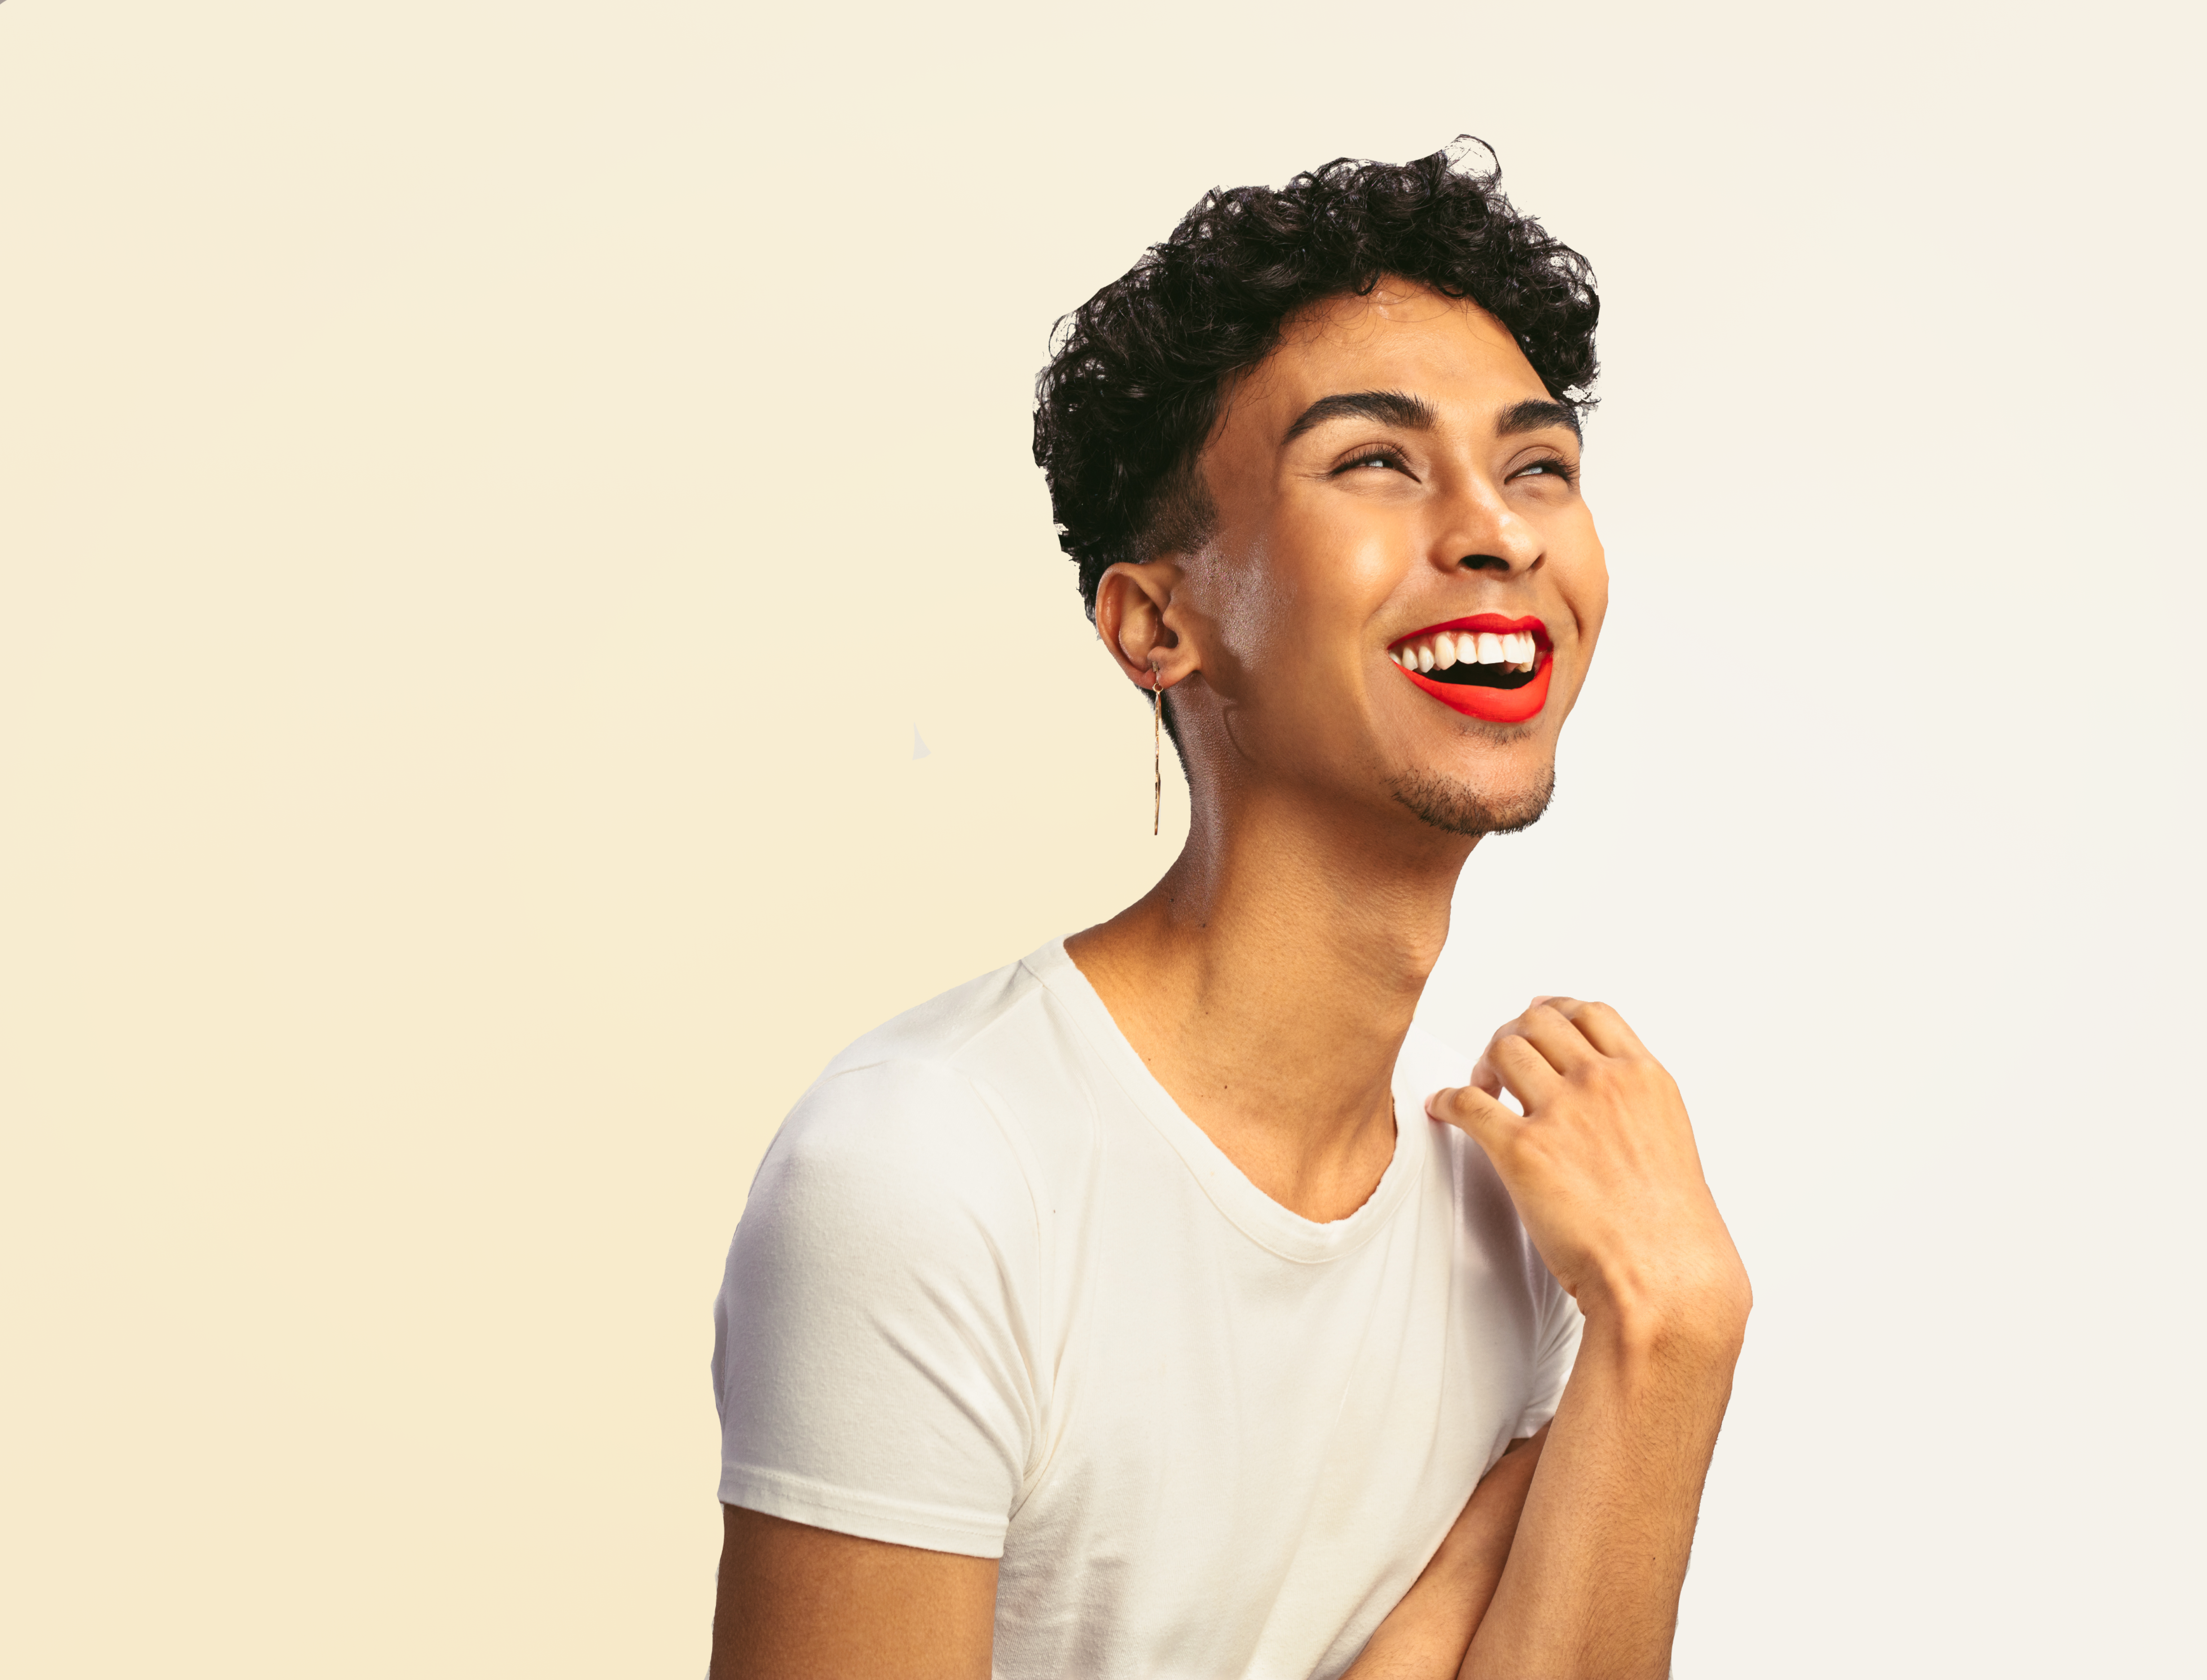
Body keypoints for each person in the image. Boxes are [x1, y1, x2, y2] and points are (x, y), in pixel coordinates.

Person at [708, 143, 1750, 1680]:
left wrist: (1672, 1335)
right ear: (1157, 622)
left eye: (1537, 466)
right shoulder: (931, 1172)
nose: (1499, 532)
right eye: (1377, 463)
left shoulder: (1516, 1232)